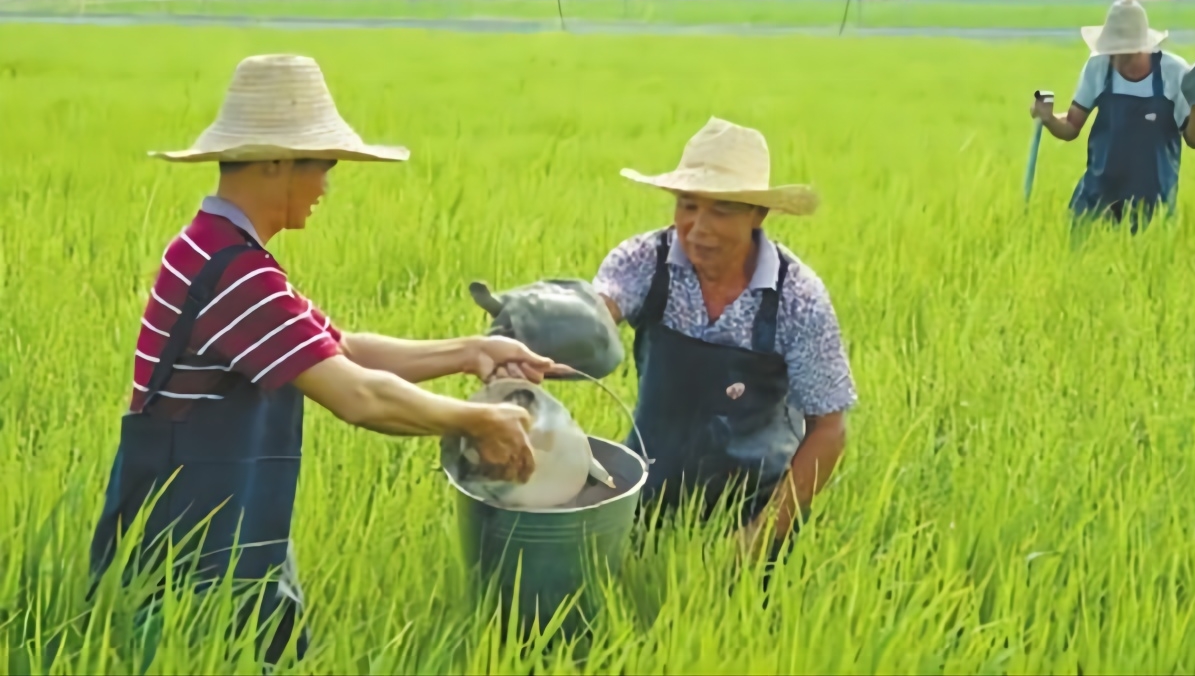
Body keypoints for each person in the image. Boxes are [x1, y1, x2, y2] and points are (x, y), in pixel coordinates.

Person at [89, 55, 554, 666]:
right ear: (277, 163)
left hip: (224, 521)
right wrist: (476, 421)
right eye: (325, 167)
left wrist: (472, 351)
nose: (327, 187)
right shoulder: (232, 273)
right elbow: (357, 396)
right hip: (187, 550)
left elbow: (343, 351)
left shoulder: (224, 252)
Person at [592, 117, 856, 562]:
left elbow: (829, 429)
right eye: (688, 205)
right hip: (647, 498)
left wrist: (762, 532)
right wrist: (546, 340)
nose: (699, 228)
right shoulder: (645, 262)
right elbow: (595, 316)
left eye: (723, 209)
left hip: (757, 508)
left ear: (758, 214)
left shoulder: (796, 296)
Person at [1030, 0, 1195, 231]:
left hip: (1152, 206)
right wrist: (1049, 118)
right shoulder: (1098, 67)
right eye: (1112, 52)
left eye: (1125, 54)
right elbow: (1071, 127)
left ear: (1142, 47)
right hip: (1096, 199)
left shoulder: (1174, 72)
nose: (1117, 61)